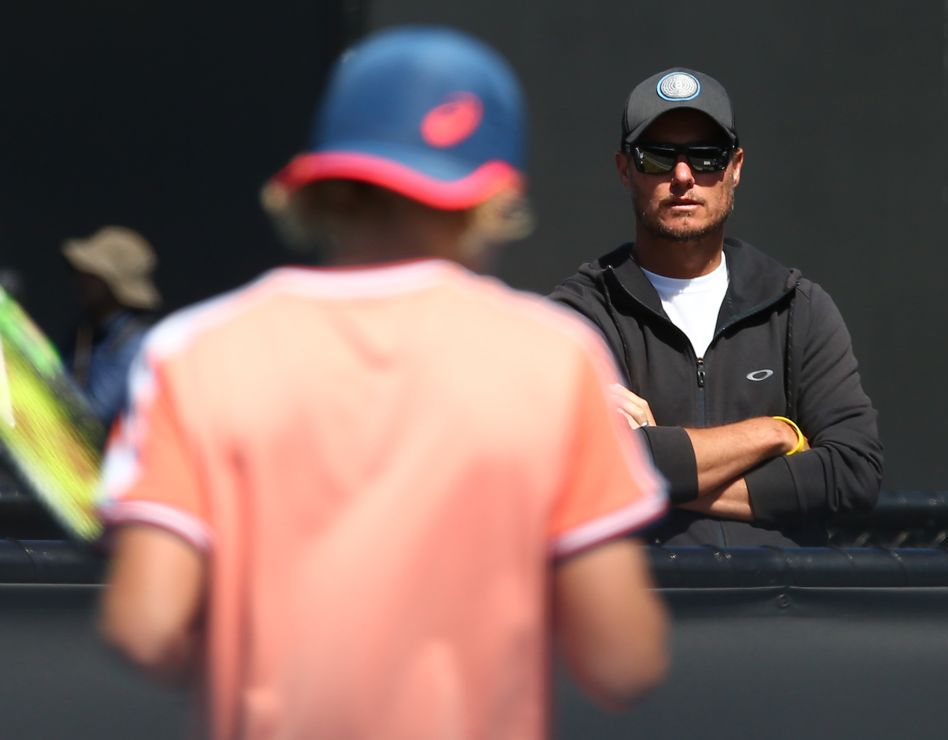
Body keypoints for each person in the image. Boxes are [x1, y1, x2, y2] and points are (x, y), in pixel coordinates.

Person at [97, 27, 669, 740]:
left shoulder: (191, 352)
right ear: (496, 194)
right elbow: (624, 661)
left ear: (325, 178)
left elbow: (144, 626)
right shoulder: (557, 359)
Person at [551, 67, 882, 547]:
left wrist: (658, 474)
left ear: (736, 167)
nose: (683, 176)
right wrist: (773, 433)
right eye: (658, 156)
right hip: (650, 607)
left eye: (707, 157)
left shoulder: (797, 308)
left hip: (781, 609)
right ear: (625, 169)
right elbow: (581, 463)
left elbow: (855, 472)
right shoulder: (578, 318)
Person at [62, 226, 161, 429]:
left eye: (91, 274)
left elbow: (92, 417)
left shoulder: (135, 346)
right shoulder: (86, 330)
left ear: (110, 284)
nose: (80, 278)